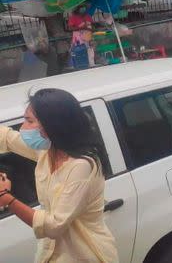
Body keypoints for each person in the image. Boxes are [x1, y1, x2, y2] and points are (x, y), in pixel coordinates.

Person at [0, 88, 118, 262]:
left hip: (83, 255)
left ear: (52, 126)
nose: (23, 127)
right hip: (53, 252)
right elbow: (8, 138)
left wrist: (5, 197)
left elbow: (53, 226)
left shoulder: (81, 166)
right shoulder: (48, 151)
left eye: (29, 121)